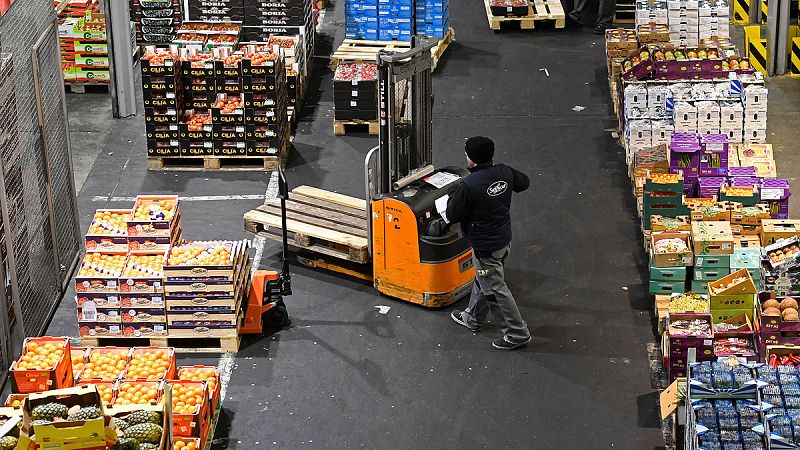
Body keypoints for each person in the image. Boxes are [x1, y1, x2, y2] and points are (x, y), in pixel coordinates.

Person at [445, 136, 532, 350]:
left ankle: (516, 333)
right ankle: (473, 317)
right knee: (484, 278)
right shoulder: (504, 172)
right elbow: (524, 183)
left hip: (485, 245)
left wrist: (453, 194)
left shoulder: (468, 185)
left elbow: (452, 215)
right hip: (503, 239)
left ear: (472, 159)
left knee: (495, 290)